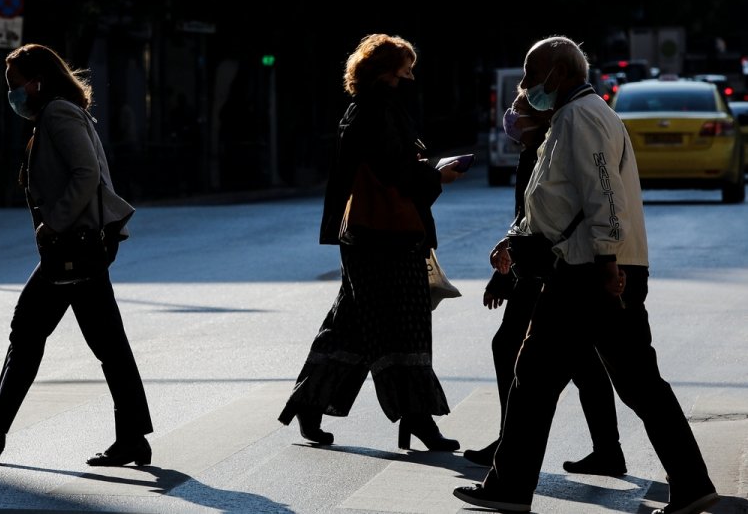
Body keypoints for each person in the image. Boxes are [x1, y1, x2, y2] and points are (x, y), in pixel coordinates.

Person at [453, 36, 719, 514]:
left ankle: (509, 488)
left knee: (536, 377)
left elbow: (603, 193)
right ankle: (692, 483)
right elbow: (563, 197)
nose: (528, 85)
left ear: (560, 73)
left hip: (587, 272)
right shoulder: (574, 116)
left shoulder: (580, 116)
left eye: (534, 75)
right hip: (592, 268)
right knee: (634, 383)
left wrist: (606, 260)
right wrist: (521, 239)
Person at [0, 43, 154, 467]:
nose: (12, 95)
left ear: (37, 82)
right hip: (77, 246)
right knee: (98, 342)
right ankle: (130, 436)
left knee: (32, 331)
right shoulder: (57, 113)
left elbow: (86, 173)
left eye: (15, 86)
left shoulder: (58, 114)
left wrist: (55, 222)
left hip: (72, 246)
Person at [277, 33, 465, 450]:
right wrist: (437, 174)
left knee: (353, 325)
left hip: (365, 238)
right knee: (404, 325)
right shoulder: (379, 110)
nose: (410, 75)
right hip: (386, 239)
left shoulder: (362, 108)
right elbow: (395, 171)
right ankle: (418, 418)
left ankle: (312, 403)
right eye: (404, 67)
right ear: (385, 71)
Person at [463, 91, 627, 479]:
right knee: (582, 360)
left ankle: (511, 457)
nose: (512, 118)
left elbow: (580, 205)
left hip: (556, 264)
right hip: (545, 261)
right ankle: (605, 449)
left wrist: (606, 260)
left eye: (520, 111)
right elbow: (526, 217)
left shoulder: (552, 146)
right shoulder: (536, 149)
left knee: (519, 352)